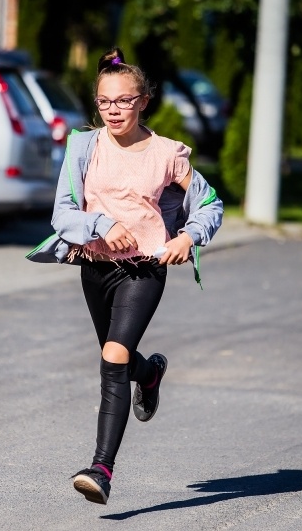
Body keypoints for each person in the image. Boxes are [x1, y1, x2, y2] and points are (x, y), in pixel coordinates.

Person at [26, 47, 223, 505]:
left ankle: (101, 469)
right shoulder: (82, 147)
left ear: (143, 101)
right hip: (94, 267)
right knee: (119, 358)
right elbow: (62, 215)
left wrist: (188, 237)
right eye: (104, 102)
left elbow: (209, 203)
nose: (114, 110)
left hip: (144, 270)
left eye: (124, 100)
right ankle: (149, 373)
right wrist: (101, 225)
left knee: (112, 359)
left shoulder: (167, 154)